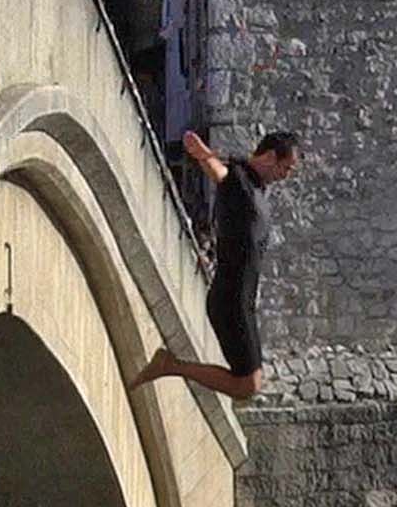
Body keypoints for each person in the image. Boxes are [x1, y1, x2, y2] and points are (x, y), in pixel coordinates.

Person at [128, 130, 302, 401]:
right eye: (286, 167)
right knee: (248, 385)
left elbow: (232, 166)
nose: (287, 175)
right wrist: (201, 155)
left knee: (251, 382)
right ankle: (169, 366)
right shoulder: (239, 183)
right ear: (270, 157)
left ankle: (169, 365)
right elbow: (219, 173)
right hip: (230, 301)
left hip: (242, 302)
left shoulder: (255, 186)